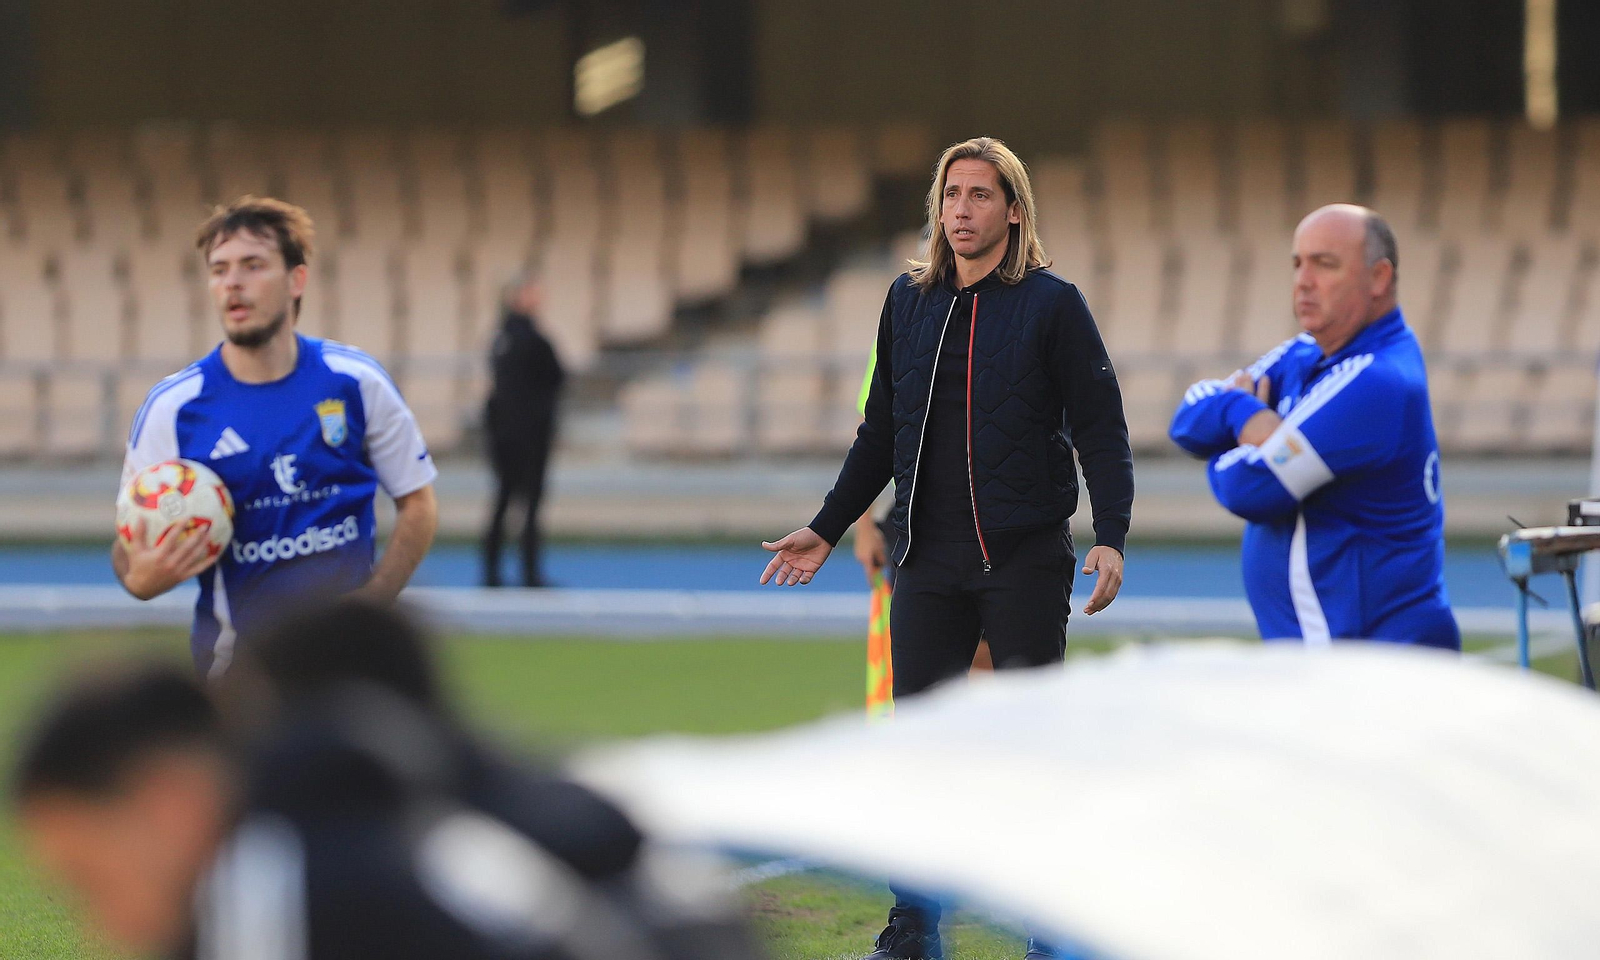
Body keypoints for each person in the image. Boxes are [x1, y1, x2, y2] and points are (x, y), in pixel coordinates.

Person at [761, 137, 1135, 960]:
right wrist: (826, 528)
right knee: (918, 749)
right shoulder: (909, 301)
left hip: (1024, 560)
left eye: (979, 195)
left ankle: (1051, 927)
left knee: (1030, 749)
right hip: (925, 560)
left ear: (1013, 210)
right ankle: (914, 929)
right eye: (950, 195)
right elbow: (879, 435)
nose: (961, 210)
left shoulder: (1053, 305)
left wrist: (1110, 536)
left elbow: (1101, 429)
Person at [12, 601, 762, 960]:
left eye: (88, 878)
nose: (101, 927)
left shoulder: (281, 886)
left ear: (167, 804)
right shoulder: (381, 809)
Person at [113, 196, 439, 678]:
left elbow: (418, 503)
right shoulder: (175, 408)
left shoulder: (354, 381)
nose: (233, 283)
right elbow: (126, 546)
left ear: (296, 279)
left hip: (349, 671)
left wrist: (370, 605)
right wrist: (141, 579)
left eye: (252, 265)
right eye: (219, 269)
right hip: (238, 677)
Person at [1169, 203, 1458, 649]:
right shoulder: (1306, 352)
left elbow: (1249, 486)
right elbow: (1188, 419)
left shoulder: (1376, 380)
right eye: (1298, 263)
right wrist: (1247, 416)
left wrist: (1232, 441)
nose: (1303, 281)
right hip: (1331, 655)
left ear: (1379, 278)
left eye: (1325, 264)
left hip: (1371, 662)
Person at [483, 275, 565, 587]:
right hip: (528, 436)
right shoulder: (532, 340)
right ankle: (528, 574)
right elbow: (555, 378)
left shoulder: (500, 339)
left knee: (505, 501)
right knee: (526, 504)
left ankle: (493, 572)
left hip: (505, 434)